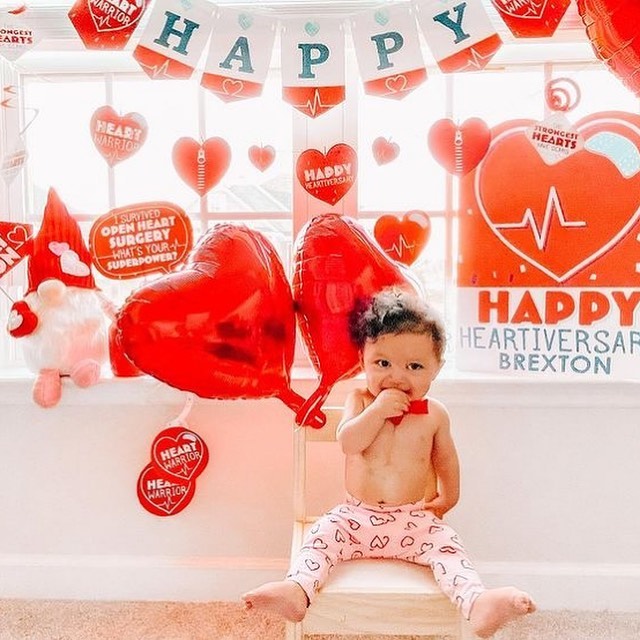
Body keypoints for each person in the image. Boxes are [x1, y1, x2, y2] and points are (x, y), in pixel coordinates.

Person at [243, 288, 536, 638]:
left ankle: (477, 602)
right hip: (356, 516)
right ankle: (298, 590)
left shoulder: (435, 415)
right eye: (383, 363)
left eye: (414, 366)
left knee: (449, 548)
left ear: (436, 369)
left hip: (413, 519)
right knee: (321, 536)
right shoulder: (360, 400)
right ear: (363, 360)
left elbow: (446, 458)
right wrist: (378, 412)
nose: (397, 377)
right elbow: (348, 442)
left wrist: (449, 497)